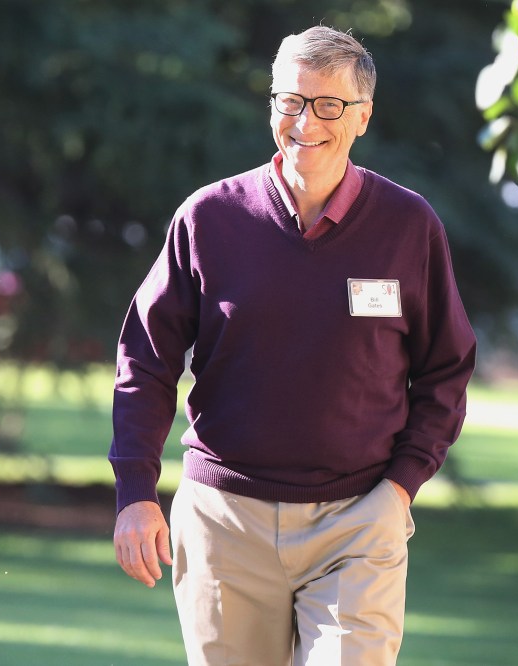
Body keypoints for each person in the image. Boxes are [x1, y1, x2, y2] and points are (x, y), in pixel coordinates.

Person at [110, 25, 476, 665]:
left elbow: (447, 368)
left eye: (328, 105)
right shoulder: (209, 217)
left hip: (358, 522)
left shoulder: (408, 225)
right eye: (289, 101)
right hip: (226, 522)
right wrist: (136, 491)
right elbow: (146, 358)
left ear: (362, 116)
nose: (305, 120)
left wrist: (399, 490)